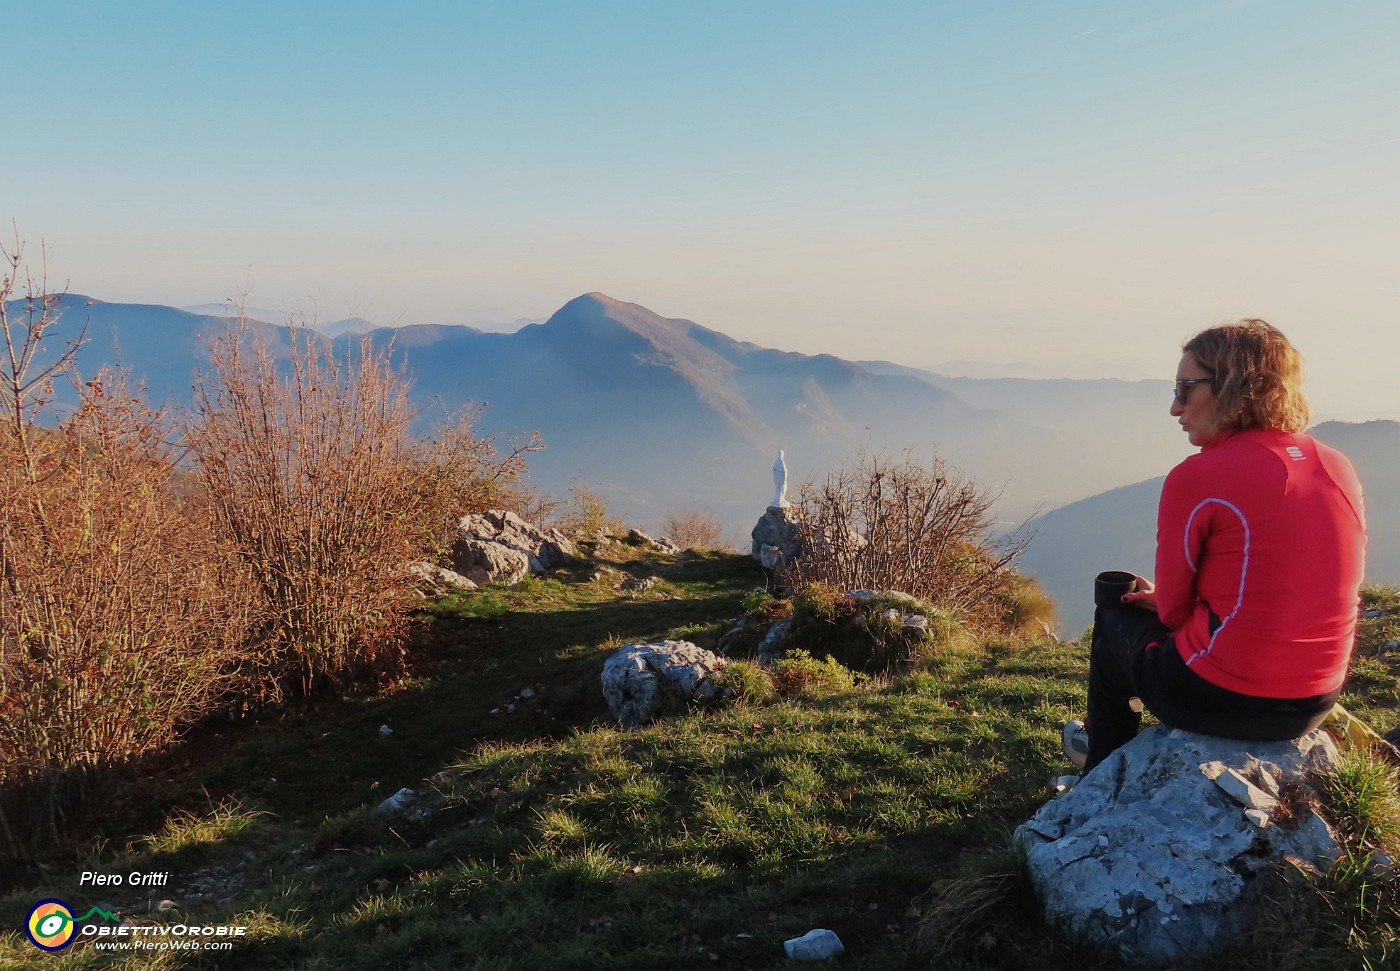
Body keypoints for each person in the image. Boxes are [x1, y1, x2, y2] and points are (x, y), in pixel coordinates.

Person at [1063, 320, 1367, 774]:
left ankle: (1102, 765)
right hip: (1316, 698)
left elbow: (1172, 613)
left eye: (1186, 388)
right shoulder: (1335, 463)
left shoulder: (1198, 476)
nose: (1175, 407)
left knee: (1114, 614)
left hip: (1222, 696)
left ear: (1235, 389)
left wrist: (1160, 600)